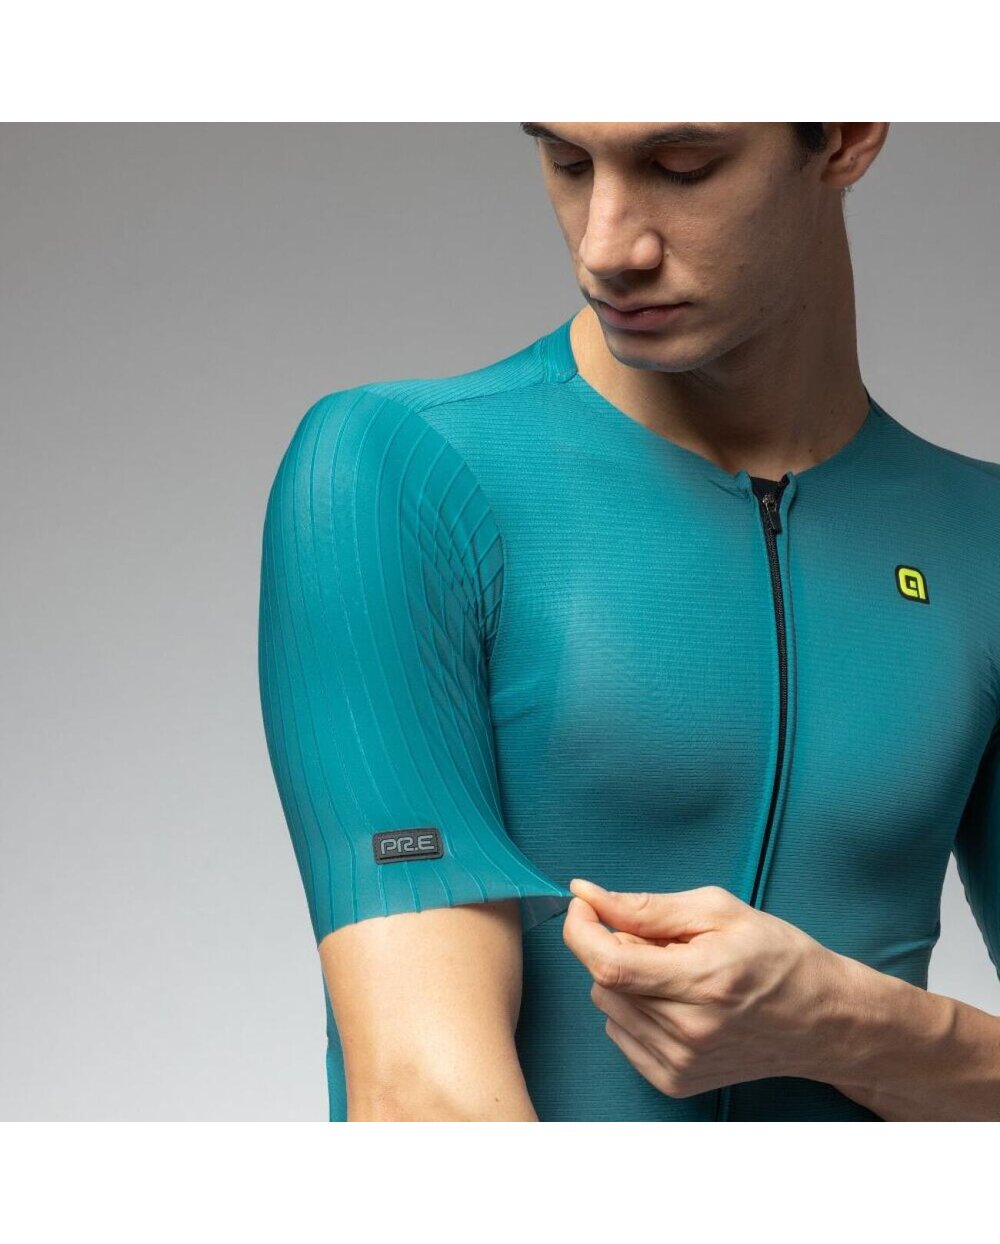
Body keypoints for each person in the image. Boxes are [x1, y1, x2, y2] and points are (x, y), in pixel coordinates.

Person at [257, 123, 1000, 1122]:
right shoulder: (394, 478)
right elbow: (423, 1098)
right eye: (567, 162)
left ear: (846, 132)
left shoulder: (982, 541)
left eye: (680, 167)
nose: (605, 246)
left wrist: (847, 1025)